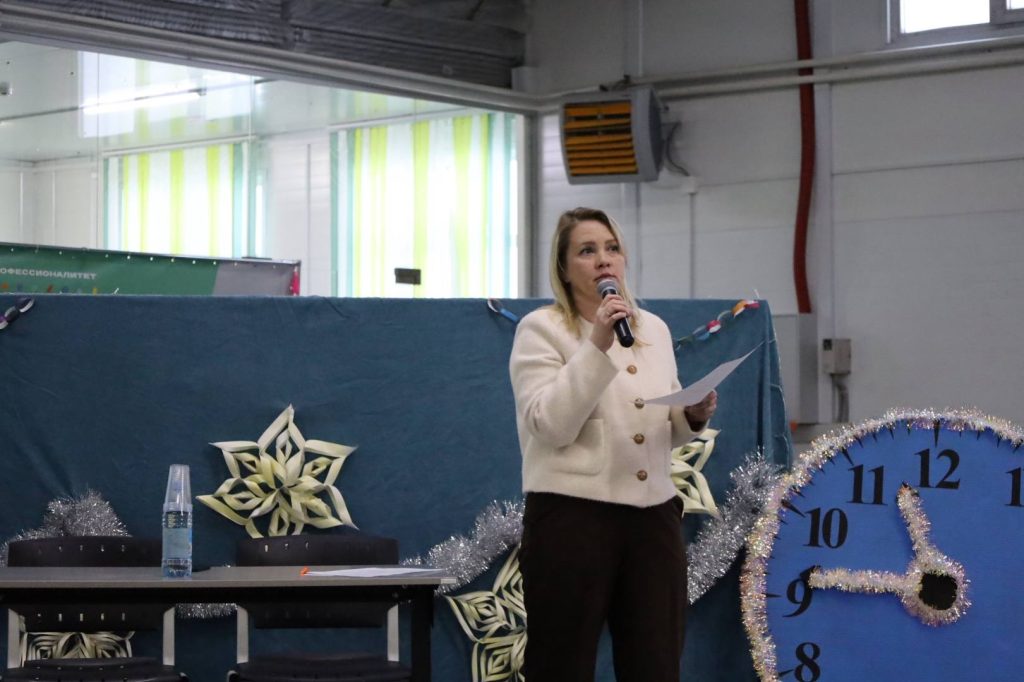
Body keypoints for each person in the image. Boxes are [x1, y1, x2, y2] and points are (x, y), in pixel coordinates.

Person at [509, 207, 717, 682]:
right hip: (572, 518)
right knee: (561, 665)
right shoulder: (541, 329)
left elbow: (658, 421)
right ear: (564, 269)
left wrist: (692, 415)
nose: (604, 260)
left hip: (653, 518)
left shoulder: (653, 329)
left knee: (656, 663)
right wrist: (596, 344)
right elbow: (549, 425)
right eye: (587, 251)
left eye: (612, 248)